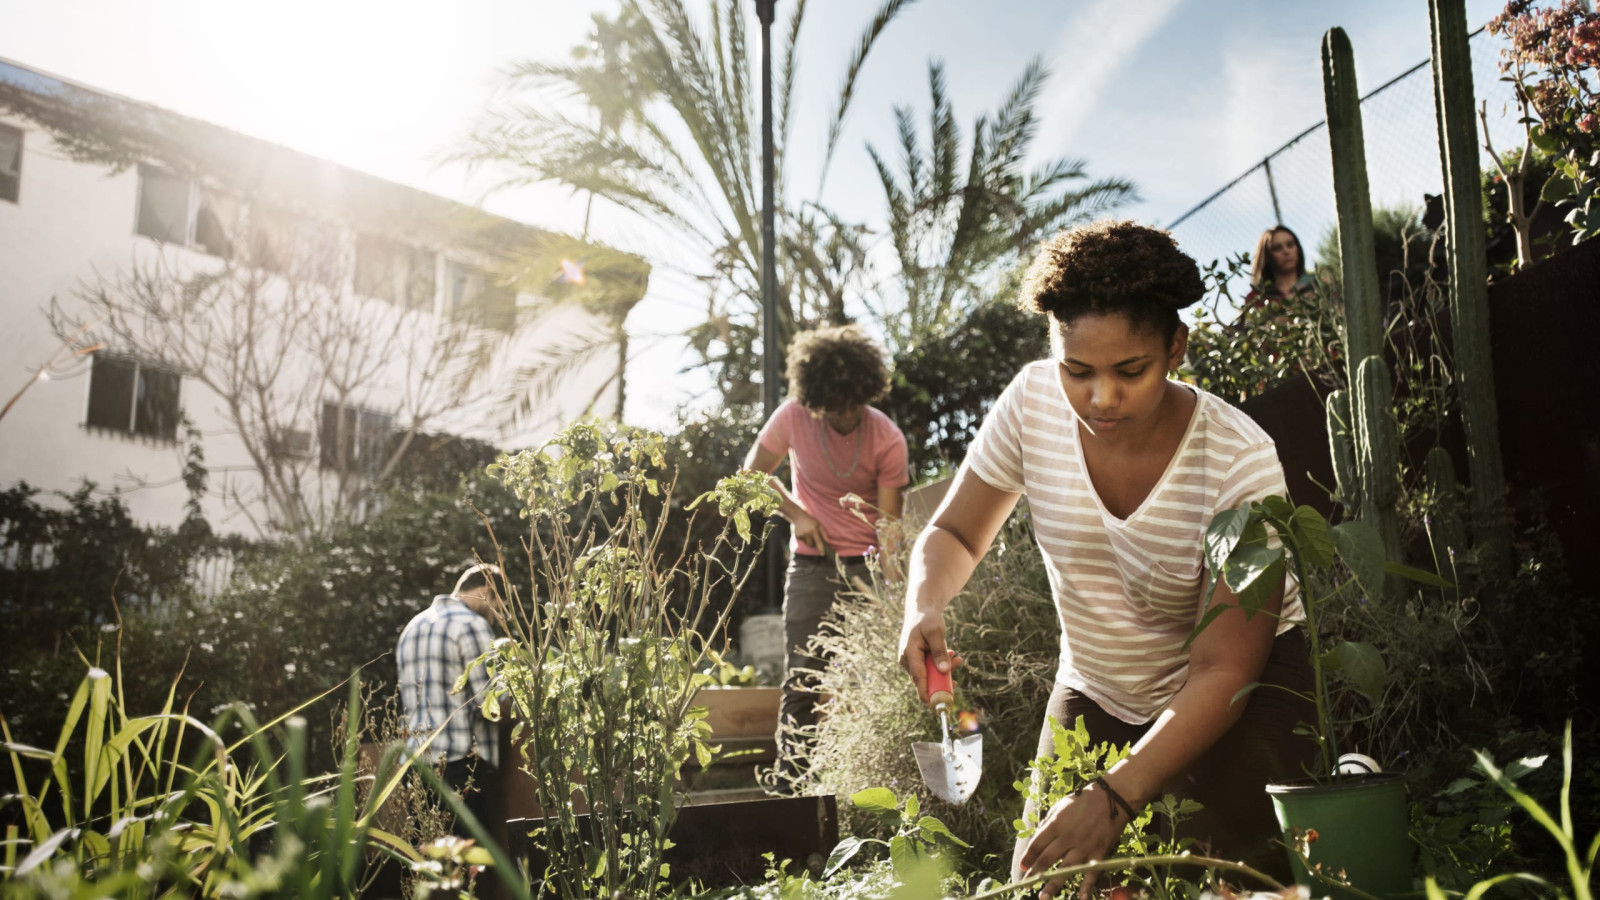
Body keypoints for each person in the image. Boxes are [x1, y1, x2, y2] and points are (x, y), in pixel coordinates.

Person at [896, 220, 1316, 899]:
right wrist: (925, 602)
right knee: (1042, 886)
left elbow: (1225, 669)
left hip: (1239, 698)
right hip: (1096, 686)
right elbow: (957, 535)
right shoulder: (1031, 404)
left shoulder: (1241, 462)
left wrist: (1114, 798)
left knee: (1202, 885)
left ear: (1176, 347)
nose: (1100, 398)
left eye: (1130, 371)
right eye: (1077, 370)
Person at [744, 324, 911, 792]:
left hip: (866, 569)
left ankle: (862, 789)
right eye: (831, 407)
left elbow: (889, 524)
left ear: (865, 392)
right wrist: (796, 514)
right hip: (811, 568)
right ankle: (788, 790)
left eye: (850, 406)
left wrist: (892, 589)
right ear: (815, 396)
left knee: (870, 681)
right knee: (802, 676)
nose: (840, 416)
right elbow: (752, 473)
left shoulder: (887, 438)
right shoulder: (794, 416)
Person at [396, 562, 504, 835]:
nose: (494, 619)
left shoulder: (413, 626)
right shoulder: (471, 625)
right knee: (464, 865)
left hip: (415, 766)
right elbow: (489, 704)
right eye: (496, 607)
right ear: (486, 591)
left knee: (427, 862)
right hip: (458, 765)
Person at [1244, 224, 1316, 308]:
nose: (1286, 251)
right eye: (1277, 248)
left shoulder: (1315, 284)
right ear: (1267, 256)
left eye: (1290, 245)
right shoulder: (1256, 298)